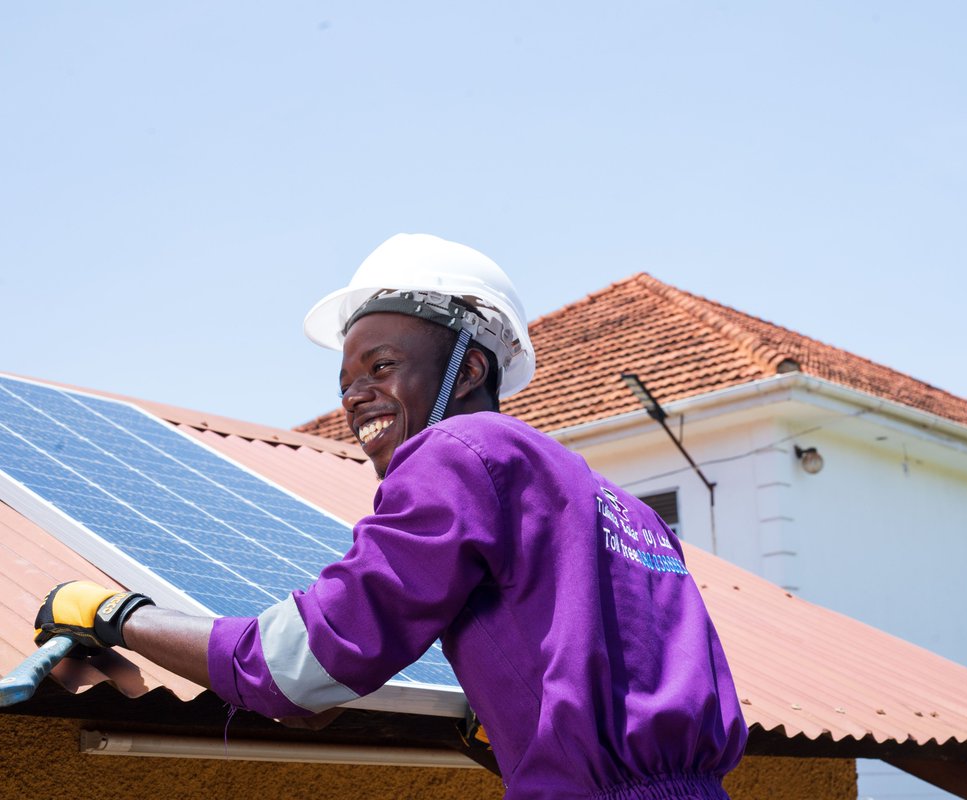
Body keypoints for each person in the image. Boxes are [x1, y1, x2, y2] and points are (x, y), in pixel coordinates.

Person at [34, 234, 748, 799]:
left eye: (380, 367)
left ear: (469, 371)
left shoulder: (458, 451)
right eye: (346, 381)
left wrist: (113, 614)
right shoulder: (616, 507)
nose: (354, 397)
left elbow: (294, 669)